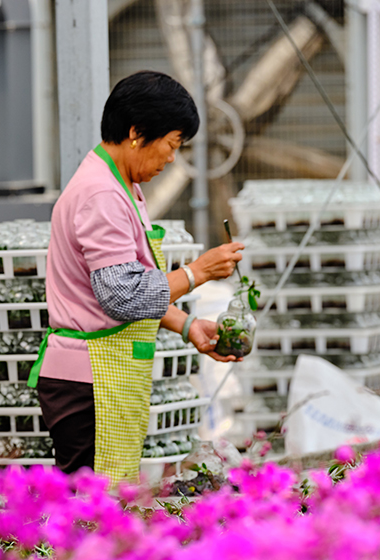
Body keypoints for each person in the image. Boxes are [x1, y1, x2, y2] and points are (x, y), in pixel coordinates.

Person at [27, 70, 244, 483]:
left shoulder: (119, 185)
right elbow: (123, 296)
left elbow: (130, 283)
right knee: (92, 512)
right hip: (89, 380)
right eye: (171, 144)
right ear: (136, 132)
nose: (171, 159)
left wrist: (186, 325)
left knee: (107, 504)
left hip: (105, 375)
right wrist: (198, 272)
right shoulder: (101, 195)